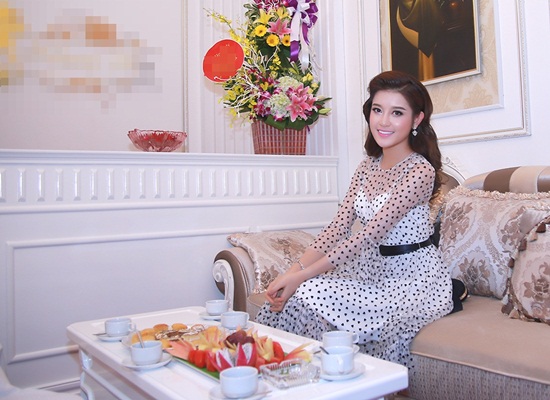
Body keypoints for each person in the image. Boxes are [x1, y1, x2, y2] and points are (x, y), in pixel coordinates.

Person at [255, 70, 454, 368]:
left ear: (417, 120)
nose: (383, 121)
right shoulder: (366, 167)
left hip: (410, 280)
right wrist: (292, 271)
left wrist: (300, 277)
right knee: (300, 295)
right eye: (377, 110)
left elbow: (368, 235)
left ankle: (316, 376)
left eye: (397, 113)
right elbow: (338, 227)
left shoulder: (419, 171)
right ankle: (282, 372)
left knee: (308, 290)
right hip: (368, 270)